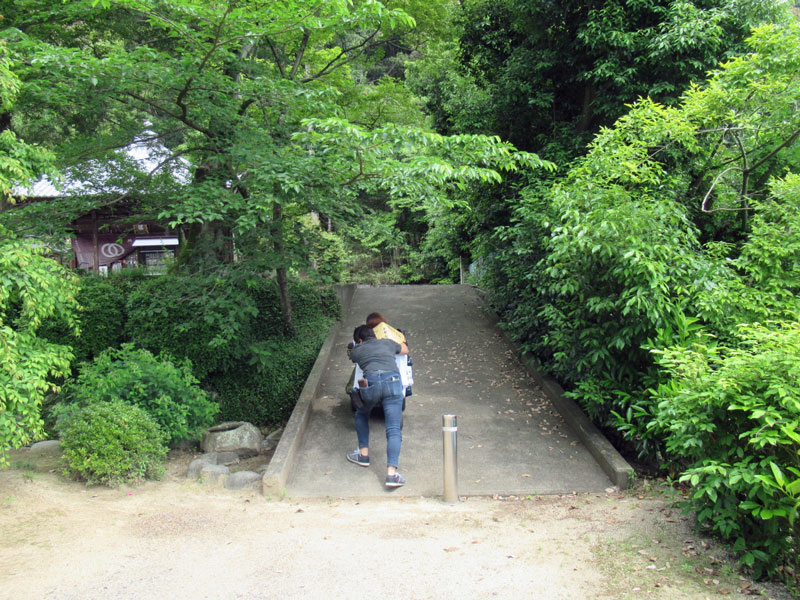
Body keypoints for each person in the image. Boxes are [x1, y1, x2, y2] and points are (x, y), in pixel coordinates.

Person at [347, 324, 408, 488]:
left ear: (360, 340)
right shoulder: (387, 343)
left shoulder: (357, 350)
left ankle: (363, 455)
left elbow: (352, 355)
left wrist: (355, 347)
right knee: (393, 428)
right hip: (393, 382)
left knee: (361, 413)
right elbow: (405, 349)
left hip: (371, 384)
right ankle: (391, 475)